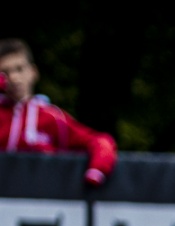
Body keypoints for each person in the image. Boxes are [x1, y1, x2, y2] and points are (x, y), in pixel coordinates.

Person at [0, 39, 116, 185]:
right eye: (5, 72)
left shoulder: (52, 118)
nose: (14, 77)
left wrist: (97, 170)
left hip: (40, 195)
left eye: (19, 69)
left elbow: (99, 141)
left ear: (33, 72)